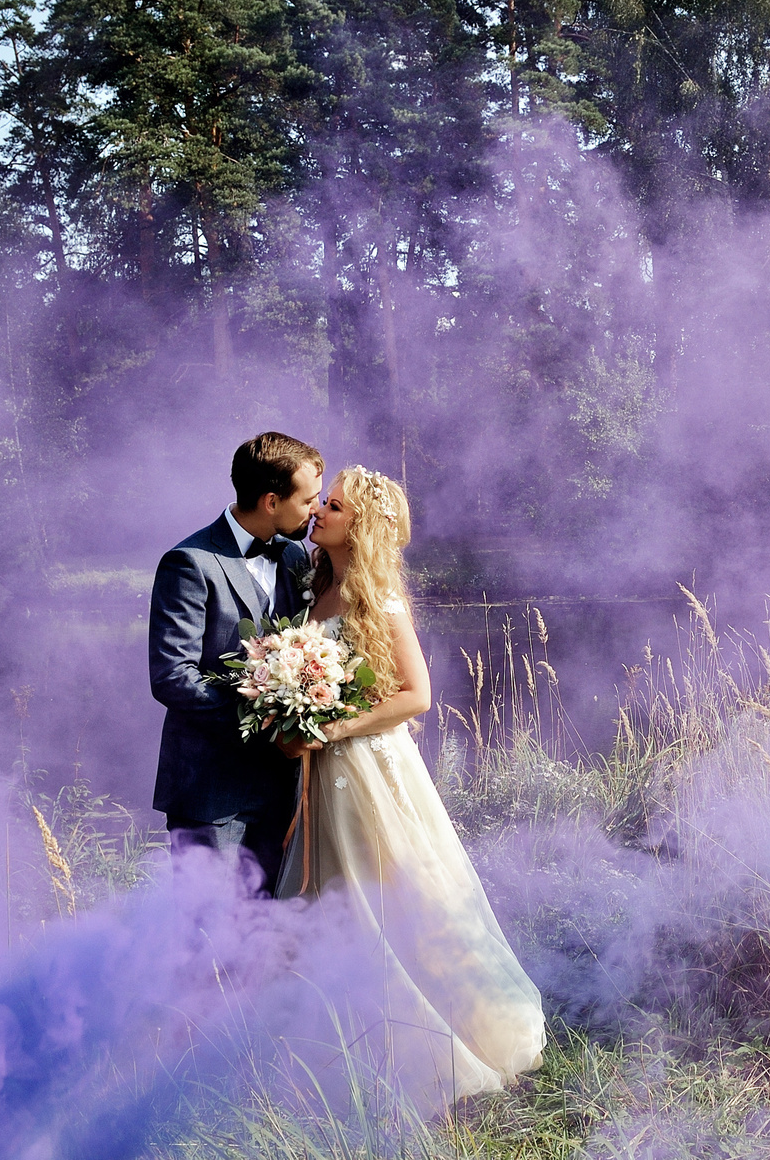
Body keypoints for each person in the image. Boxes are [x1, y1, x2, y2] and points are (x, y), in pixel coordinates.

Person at [277, 463, 545, 1110]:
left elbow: (417, 695)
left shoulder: (382, 599)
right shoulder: (313, 591)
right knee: (330, 900)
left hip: (371, 767)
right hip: (324, 772)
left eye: (333, 506)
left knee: (398, 899)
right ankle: (331, 1043)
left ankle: (436, 1046)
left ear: (358, 525)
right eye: (323, 503)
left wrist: (338, 725)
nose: (320, 513)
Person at [147, 431, 323, 895]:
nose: (314, 510)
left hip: (283, 789)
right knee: (211, 937)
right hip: (211, 793)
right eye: (308, 499)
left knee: (269, 933)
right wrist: (268, 721)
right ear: (271, 500)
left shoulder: (293, 554)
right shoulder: (189, 562)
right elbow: (172, 678)